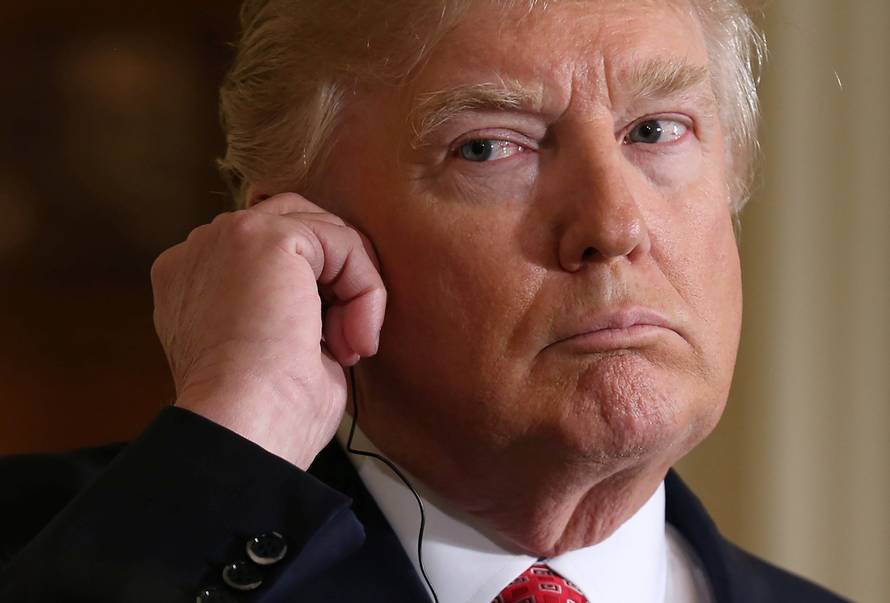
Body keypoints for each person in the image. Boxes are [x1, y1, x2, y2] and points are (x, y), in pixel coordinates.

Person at [0, 1, 850, 601]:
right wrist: (238, 430)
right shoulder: (77, 551)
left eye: (657, 130)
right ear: (305, 236)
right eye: (489, 146)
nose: (613, 223)